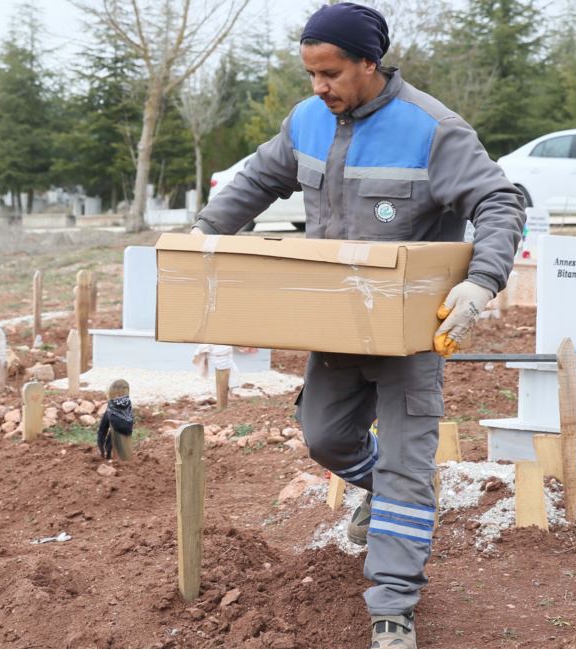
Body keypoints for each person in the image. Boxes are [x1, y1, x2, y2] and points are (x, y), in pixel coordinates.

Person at [190, 4, 525, 647]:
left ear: (369, 63)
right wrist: (200, 237)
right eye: (311, 73)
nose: (320, 86)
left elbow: (498, 200)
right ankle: (393, 494)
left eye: (332, 73)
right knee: (323, 439)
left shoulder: (431, 130)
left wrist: (480, 283)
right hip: (337, 327)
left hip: (410, 334)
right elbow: (258, 179)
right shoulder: (306, 121)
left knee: (404, 466)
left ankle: (392, 608)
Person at [96, 379, 134, 461]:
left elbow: (102, 432)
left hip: (114, 443)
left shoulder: (111, 409)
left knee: (107, 433)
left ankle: (109, 455)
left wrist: (102, 450)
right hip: (127, 436)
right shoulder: (128, 405)